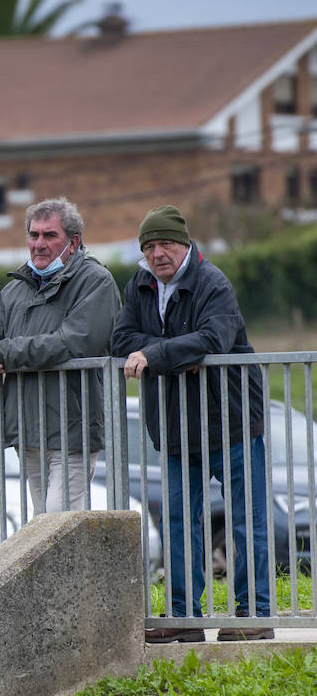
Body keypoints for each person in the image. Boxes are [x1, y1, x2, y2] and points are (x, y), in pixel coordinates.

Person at [112, 205, 272, 643]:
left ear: (184, 245)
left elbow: (213, 338)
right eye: (149, 247)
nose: (157, 254)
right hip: (178, 427)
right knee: (181, 521)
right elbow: (121, 339)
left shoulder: (212, 282)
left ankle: (253, 614)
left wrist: (158, 356)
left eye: (165, 244)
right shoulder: (139, 284)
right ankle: (184, 617)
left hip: (232, 422)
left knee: (246, 519)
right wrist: (177, 355)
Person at [0, 197, 120, 513]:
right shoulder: (15, 289)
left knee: (56, 525)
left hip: (73, 428)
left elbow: (73, 342)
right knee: (43, 529)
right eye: (34, 235)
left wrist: (4, 353)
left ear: (73, 241)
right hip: (28, 428)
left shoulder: (95, 281)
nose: (39, 244)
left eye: (49, 235)